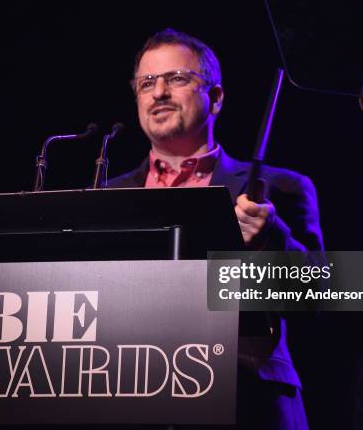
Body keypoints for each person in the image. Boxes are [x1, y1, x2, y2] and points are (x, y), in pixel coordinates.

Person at [106, 28, 324, 429]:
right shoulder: (106, 196)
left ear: (216, 98)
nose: (159, 94)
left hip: (246, 402)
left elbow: (316, 297)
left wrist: (270, 239)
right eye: (147, 83)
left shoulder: (281, 188)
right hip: (129, 396)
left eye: (177, 79)